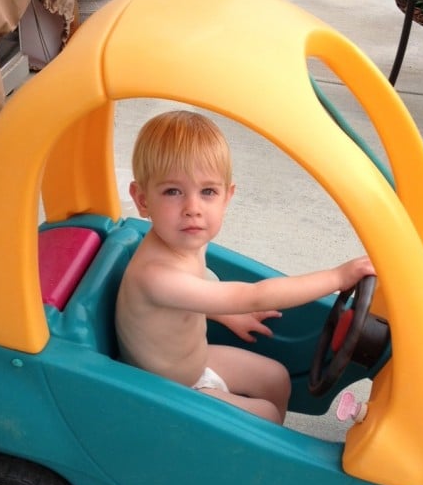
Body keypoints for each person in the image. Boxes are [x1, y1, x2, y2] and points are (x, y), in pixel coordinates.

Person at [115, 110, 374, 425]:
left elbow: (186, 298)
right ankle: (256, 453)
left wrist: (222, 312)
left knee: (277, 377)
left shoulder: (185, 240)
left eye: (208, 191)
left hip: (192, 363)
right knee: (264, 414)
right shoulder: (155, 274)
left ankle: (265, 445)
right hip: (167, 394)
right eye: (173, 192)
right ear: (142, 200)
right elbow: (254, 296)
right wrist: (337, 276)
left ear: (227, 197)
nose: (192, 209)